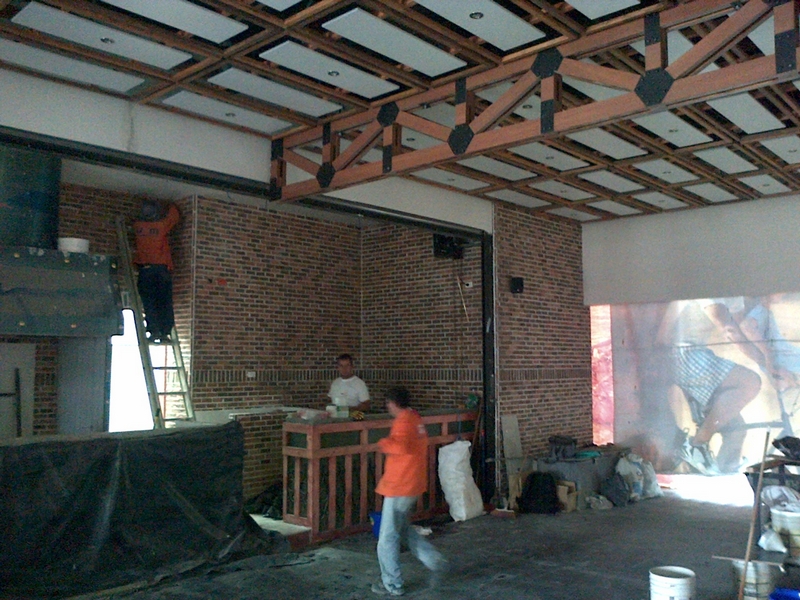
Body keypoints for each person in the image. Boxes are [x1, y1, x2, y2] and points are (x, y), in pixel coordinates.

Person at [372, 387, 447, 597]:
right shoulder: (415, 418)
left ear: (393, 403)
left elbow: (401, 447)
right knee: (403, 529)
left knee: (387, 537)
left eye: (388, 403)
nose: (387, 407)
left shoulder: (403, 421)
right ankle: (433, 559)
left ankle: (392, 583)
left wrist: (383, 443)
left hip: (399, 485)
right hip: (412, 484)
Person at [133, 200, 180, 344]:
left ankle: (154, 332)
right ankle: (165, 333)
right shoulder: (161, 226)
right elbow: (174, 216)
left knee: (149, 303)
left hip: (145, 271)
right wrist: (171, 203)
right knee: (164, 302)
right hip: (161, 270)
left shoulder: (138, 227)